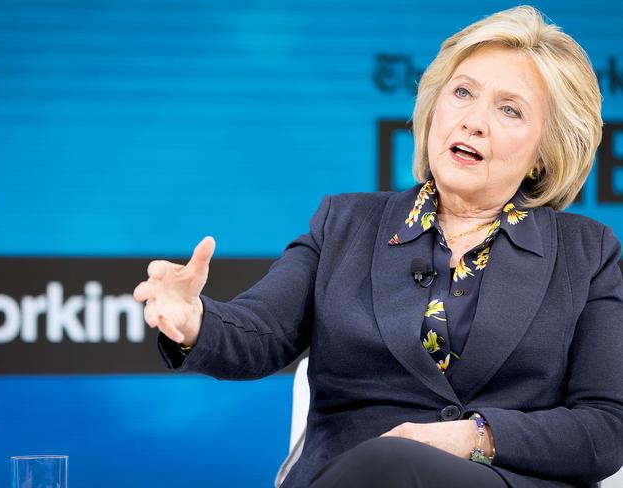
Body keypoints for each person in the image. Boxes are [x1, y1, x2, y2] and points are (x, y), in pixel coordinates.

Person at [133, 6, 623, 488]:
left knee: (396, 463)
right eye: (463, 93)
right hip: (354, 472)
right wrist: (194, 321)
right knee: (385, 464)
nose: (474, 121)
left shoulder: (587, 254)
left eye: (509, 109)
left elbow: (605, 429)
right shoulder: (344, 224)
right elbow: (262, 333)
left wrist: (470, 437)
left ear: (544, 153)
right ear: (434, 109)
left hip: (498, 479)